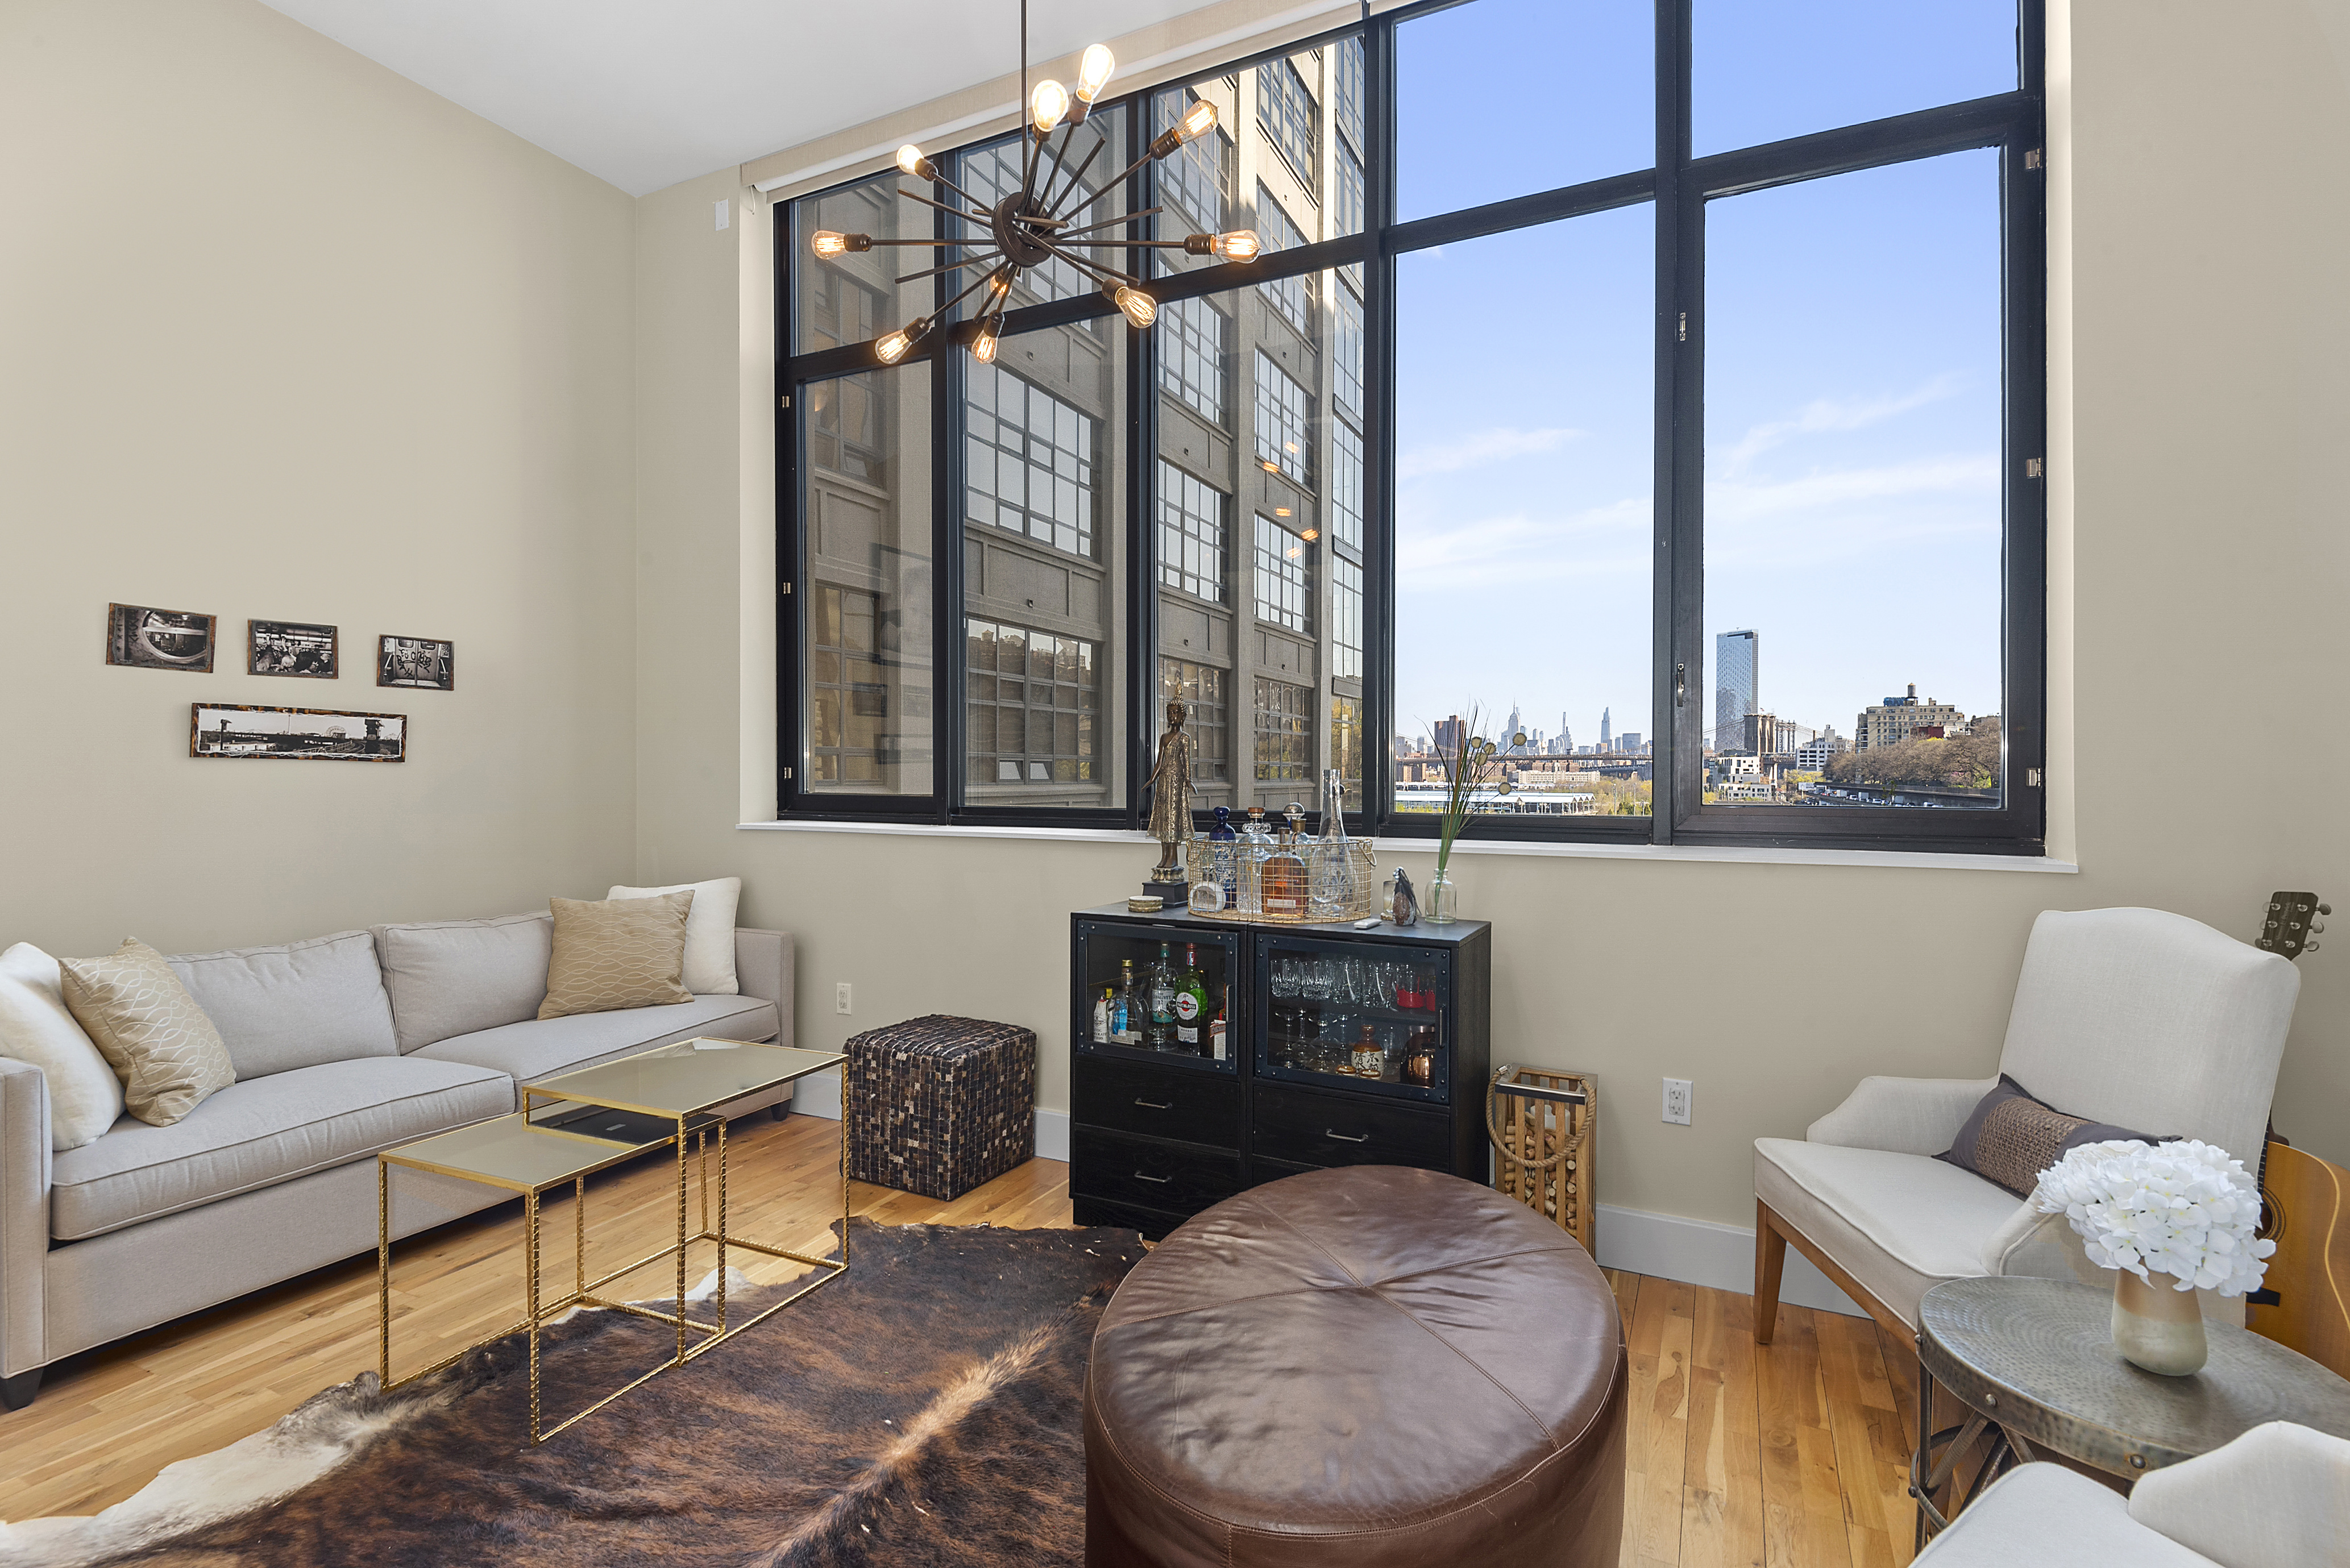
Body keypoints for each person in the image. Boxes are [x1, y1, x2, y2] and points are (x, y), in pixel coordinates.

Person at [1143, 700, 1195, 888]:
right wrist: (1151, 780)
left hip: (1177, 781)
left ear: (1182, 716)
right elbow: (1159, 762)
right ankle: (1164, 856)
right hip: (1164, 781)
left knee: (1174, 818)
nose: (1172, 716)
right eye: (1170, 713)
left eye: (1176, 713)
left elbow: (1187, 762)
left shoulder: (1184, 738)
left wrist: (1189, 781)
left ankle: (1172, 858)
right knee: (1164, 818)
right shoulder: (1164, 737)